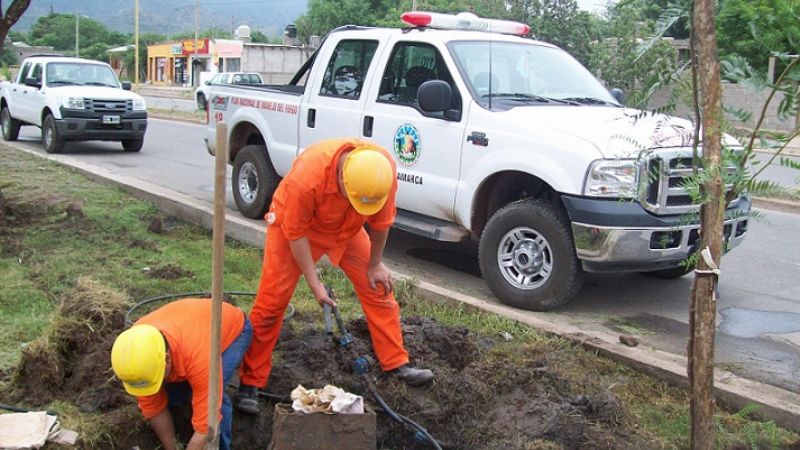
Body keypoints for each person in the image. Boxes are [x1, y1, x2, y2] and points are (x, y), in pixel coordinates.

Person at [234, 137, 433, 415]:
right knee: (271, 304)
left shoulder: (380, 172)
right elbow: (296, 235)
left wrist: (375, 263)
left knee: (378, 287)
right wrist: (315, 284)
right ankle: (250, 383)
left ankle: (396, 363)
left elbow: (382, 222)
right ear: (341, 177)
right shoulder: (306, 179)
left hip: (346, 227)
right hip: (296, 228)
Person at [111, 298, 252, 450]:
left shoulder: (200, 360)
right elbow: (154, 409)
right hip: (188, 329)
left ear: (167, 359)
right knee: (172, 397)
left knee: (215, 404)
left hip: (232, 328)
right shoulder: (135, 357)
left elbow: (206, 428)